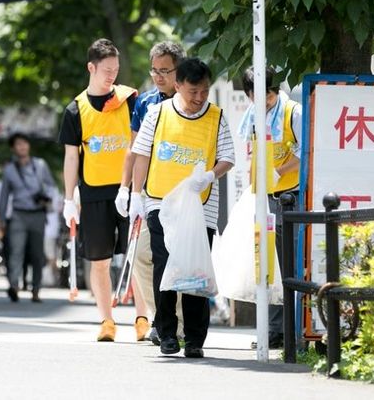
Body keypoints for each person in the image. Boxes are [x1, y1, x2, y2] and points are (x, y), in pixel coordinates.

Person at [129, 57, 235, 358]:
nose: (199, 98)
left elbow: (228, 156)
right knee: (164, 266)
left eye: (204, 91)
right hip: (159, 203)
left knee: (195, 271)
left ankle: (195, 339)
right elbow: (142, 154)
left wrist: (210, 175)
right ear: (177, 86)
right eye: (193, 92)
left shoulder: (216, 117)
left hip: (202, 207)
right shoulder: (158, 114)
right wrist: (136, 195)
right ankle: (166, 334)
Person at [59, 38, 147, 342]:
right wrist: (69, 198)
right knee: (99, 260)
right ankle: (106, 321)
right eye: (106, 70)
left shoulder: (130, 101)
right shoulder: (75, 110)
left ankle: (142, 318)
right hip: (95, 190)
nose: (112, 75)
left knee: (136, 256)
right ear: (91, 67)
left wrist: (138, 190)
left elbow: (141, 145)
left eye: (116, 69)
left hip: (131, 190)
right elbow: (72, 157)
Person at [115, 41, 186, 344]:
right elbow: (133, 149)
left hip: (183, 194)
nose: (158, 77)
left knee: (179, 259)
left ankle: (179, 323)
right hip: (150, 194)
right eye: (154, 70)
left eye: (165, 71)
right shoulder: (144, 103)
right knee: (143, 257)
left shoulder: (189, 102)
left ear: (178, 70)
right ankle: (162, 318)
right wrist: (128, 189)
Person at [239, 66, 303, 349]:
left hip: (293, 197)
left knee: (293, 263)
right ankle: (275, 330)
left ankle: (296, 329)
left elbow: (305, 151)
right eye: (257, 95)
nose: (264, 100)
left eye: (268, 94)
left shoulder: (293, 113)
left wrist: (279, 171)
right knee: (269, 265)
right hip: (266, 198)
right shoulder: (253, 115)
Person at [0, 133, 56, 303]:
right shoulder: (9, 170)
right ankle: (14, 285)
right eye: (18, 144)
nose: (22, 147)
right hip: (18, 214)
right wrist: (2, 220)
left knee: (38, 254)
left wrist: (47, 197)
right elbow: (3, 196)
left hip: (38, 213)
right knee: (16, 251)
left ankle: (36, 289)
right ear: (13, 148)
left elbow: (51, 185)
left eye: (24, 143)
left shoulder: (40, 165)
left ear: (28, 146)